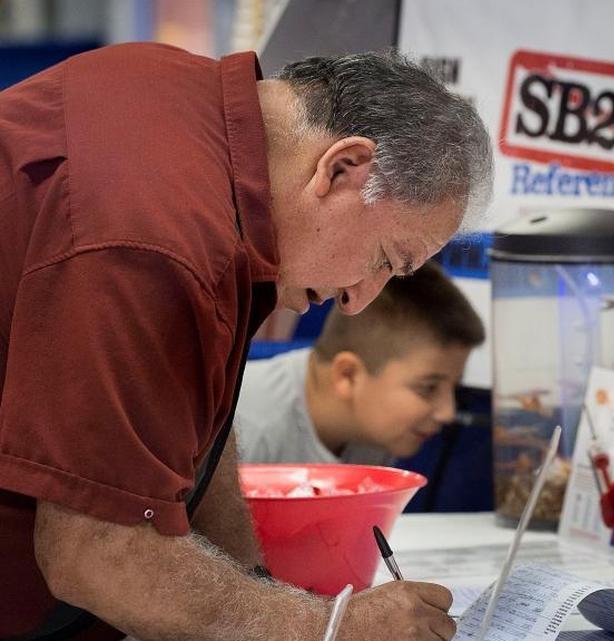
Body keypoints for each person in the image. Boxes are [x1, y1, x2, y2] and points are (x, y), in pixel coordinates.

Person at [0, 42, 491, 641]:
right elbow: (98, 554)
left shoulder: (184, 106)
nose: (358, 298)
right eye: (384, 258)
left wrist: (260, 591)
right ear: (341, 168)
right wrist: (334, 627)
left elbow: (189, 417)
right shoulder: (158, 238)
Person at [236, 261, 485, 466]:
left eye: (453, 389)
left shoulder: (373, 431)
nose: (448, 413)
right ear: (348, 375)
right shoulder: (245, 431)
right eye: (428, 388)